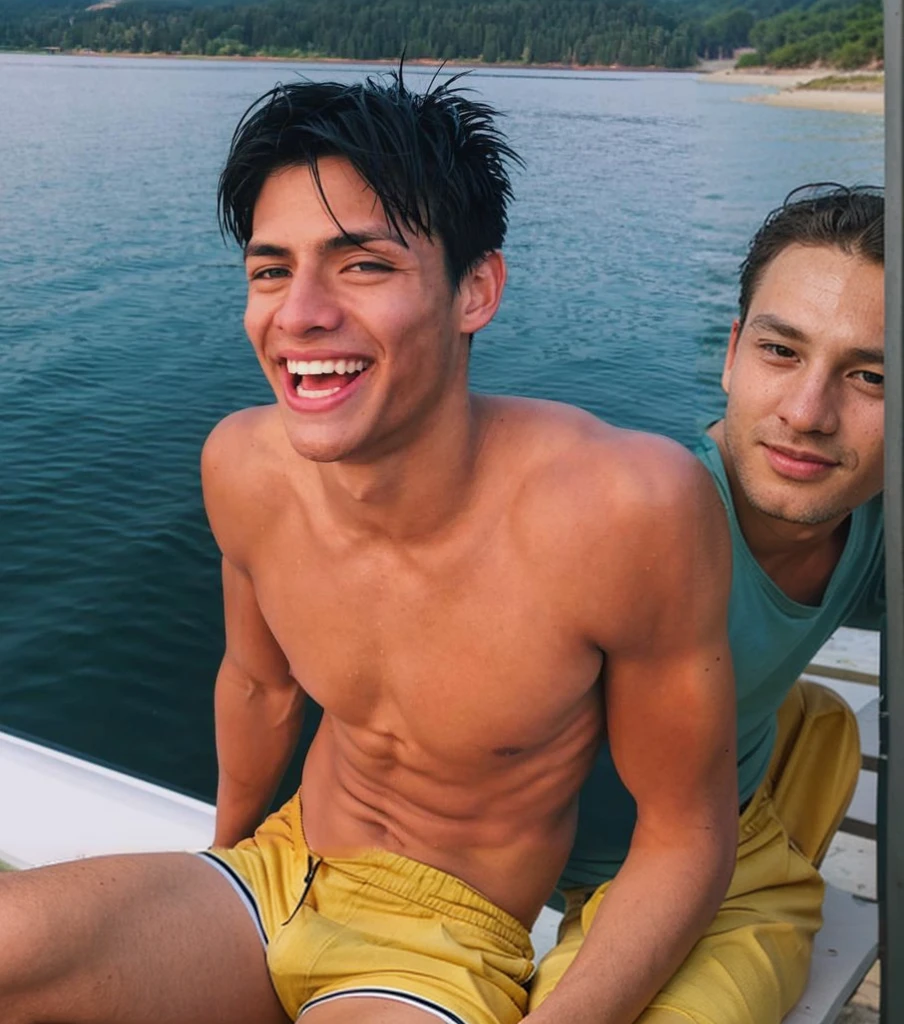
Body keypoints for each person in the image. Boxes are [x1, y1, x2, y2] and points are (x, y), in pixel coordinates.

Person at [0, 73, 737, 1024]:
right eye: (271, 270)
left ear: (476, 289)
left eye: (362, 265)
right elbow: (261, 689)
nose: (299, 313)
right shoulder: (241, 464)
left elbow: (686, 836)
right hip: (275, 873)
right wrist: (216, 866)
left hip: (439, 944)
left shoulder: (624, 509)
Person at [530, 183, 885, 1024]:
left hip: (734, 836)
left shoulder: (867, 514)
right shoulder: (623, 530)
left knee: (821, 719)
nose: (807, 415)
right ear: (731, 354)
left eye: (870, 375)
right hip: (563, 874)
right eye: (781, 352)